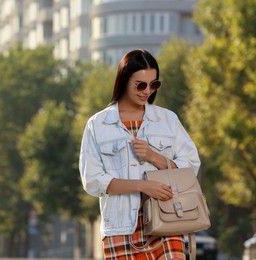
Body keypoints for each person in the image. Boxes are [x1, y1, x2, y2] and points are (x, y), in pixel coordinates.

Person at [79, 49, 201, 259]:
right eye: (141, 84)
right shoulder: (98, 125)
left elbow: (191, 166)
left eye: (154, 85)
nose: (147, 91)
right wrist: (144, 186)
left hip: (168, 220)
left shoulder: (167, 120)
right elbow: (92, 180)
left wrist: (155, 157)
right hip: (120, 227)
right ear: (124, 80)